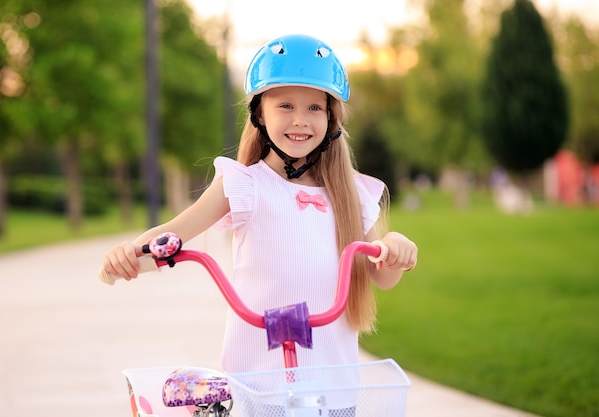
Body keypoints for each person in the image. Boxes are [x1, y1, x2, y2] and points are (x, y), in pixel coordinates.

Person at [102, 34, 417, 375]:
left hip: (332, 377)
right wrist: (128, 256)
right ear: (260, 114)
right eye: (285, 106)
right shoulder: (244, 185)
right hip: (259, 377)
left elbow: (381, 276)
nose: (300, 120)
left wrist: (394, 250)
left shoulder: (350, 195)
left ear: (332, 120)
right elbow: (173, 237)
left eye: (314, 107)